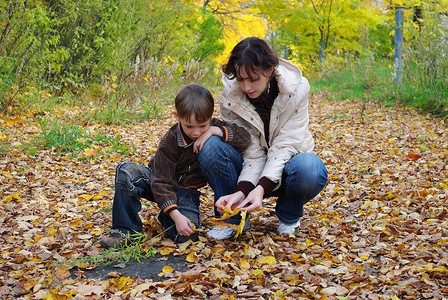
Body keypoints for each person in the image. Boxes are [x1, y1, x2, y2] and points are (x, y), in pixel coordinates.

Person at [197, 37, 328, 240]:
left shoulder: (298, 88)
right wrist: (244, 191)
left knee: (310, 167)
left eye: (253, 79)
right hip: (249, 166)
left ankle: (289, 215)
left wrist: (261, 188)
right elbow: (250, 149)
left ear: (269, 70)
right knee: (212, 146)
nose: (247, 86)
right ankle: (232, 215)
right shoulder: (230, 97)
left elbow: (286, 144)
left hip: (289, 164)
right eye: (240, 79)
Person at [100, 84, 251, 248]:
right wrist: (176, 215)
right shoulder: (170, 142)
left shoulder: (214, 126)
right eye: (189, 126)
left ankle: (168, 216)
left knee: (187, 235)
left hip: (186, 193)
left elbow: (245, 137)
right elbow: (161, 181)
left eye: (202, 126)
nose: (196, 132)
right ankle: (125, 232)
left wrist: (215, 130)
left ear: (209, 117)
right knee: (126, 171)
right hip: (159, 182)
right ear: (177, 116)